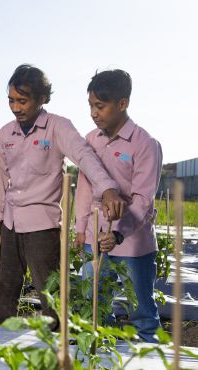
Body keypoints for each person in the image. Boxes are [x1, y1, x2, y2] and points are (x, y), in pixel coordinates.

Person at [0, 64, 127, 326]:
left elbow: (85, 156)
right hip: (9, 224)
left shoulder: (57, 127)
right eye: (11, 100)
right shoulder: (6, 133)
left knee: (52, 295)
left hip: (43, 226)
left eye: (23, 100)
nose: (16, 107)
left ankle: (56, 350)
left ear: (42, 98)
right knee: (2, 292)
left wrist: (108, 188)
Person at [74, 69, 162, 342]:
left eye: (100, 106)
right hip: (95, 237)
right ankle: (99, 353)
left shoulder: (145, 144)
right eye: (90, 105)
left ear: (122, 104)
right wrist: (81, 229)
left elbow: (143, 200)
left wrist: (119, 233)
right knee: (92, 304)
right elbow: (86, 188)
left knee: (142, 311)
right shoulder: (91, 140)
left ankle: (148, 354)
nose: (93, 113)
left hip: (133, 242)